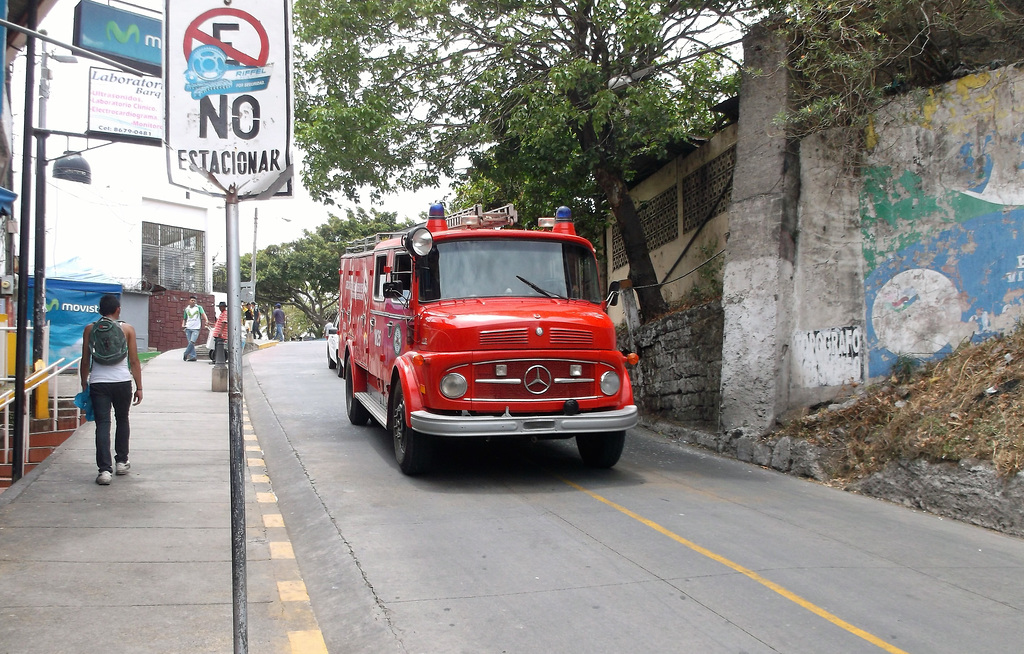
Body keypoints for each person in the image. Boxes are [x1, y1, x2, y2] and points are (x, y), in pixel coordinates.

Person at [80, 293, 142, 485]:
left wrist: (84, 384)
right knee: (122, 419)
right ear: (118, 310)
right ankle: (122, 462)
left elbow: (85, 360)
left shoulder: (90, 329)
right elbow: (134, 361)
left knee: (103, 424)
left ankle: (104, 471)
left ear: (100, 310)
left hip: (98, 383)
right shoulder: (128, 329)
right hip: (122, 382)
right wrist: (139, 387)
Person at [181, 295, 209, 362]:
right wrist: (183, 325)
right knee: (190, 342)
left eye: (194, 300)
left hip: (196, 328)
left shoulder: (199, 308)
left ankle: (186, 353)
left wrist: (206, 321)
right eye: (192, 300)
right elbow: (184, 318)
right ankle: (193, 356)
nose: (193, 302)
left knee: (192, 341)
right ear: (189, 301)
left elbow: (203, 314)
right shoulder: (186, 309)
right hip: (188, 327)